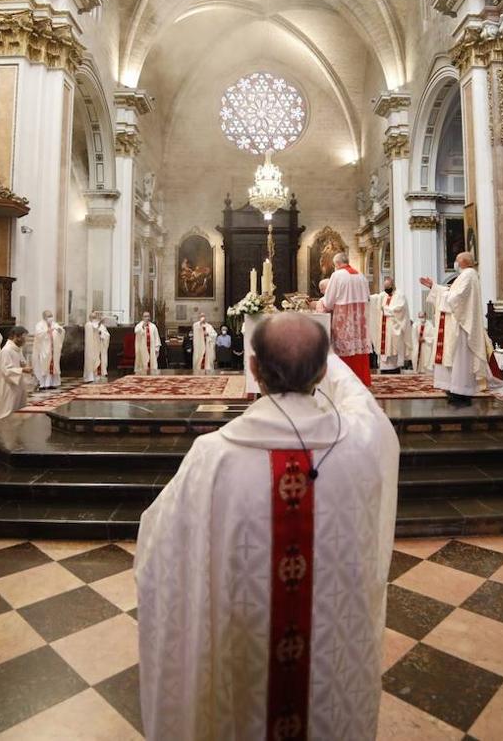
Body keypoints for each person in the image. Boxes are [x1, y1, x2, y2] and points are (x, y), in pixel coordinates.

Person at [136, 313, 399, 740]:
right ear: (322, 369)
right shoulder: (362, 444)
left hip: (242, 651)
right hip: (328, 663)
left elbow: (159, 550)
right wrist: (321, 358)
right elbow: (364, 406)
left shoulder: (213, 456)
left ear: (253, 368)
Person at [420, 251, 497, 403]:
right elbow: (451, 293)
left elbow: (457, 297)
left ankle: (462, 390)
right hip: (456, 323)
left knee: (460, 359)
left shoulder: (468, 275)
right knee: (454, 359)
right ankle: (454, 388)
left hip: (461, 326)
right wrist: (434, 287)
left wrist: (440, 293)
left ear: (464, 262)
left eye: (456, 260)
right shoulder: (466, 275)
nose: (455, 263)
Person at [320, 251, 372, 386]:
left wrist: (320, 304)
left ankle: (345, 381)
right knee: (359, 346)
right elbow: (367, 297)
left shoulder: (337, 275)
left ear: (336, 264)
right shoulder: (361, 275)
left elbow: (329, 302)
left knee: (344, 346)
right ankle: (362, 379)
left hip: (344, 318)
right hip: (360, 319)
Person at [368, 277, 411, 374]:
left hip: (393, 328)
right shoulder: (383, 295)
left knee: (392, 346)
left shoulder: (400, 295)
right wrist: (367, 297)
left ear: (393, 285)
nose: (386, 289)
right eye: (385, 287)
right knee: (384, 346)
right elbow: (375, 299)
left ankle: (394, 368)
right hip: (384, 328)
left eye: (388, 287)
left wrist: (386, 310)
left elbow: (400, 309)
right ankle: (384, 368)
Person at [31, 309, 64, 389]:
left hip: (53, 350)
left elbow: (61, 330)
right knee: (44, 366)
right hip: (44, 349)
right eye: (49, 316)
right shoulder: (39, 325)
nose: (51, 318)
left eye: (51, 316)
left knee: (53, 366)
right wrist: (47, 331)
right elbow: (38, 334)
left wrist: (60, 330)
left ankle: (52, 383)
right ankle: (43, 384)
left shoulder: (54, 324)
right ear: (44, 317)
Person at [84, 310, 109, 382]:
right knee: (92, 361)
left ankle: (100, 374)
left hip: (100, 346)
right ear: (90, 318)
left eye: (95, 317)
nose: (94, 318)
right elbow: (94, 328)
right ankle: (90, 377)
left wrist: (102, 335)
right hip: (91, 347)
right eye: (93, 317)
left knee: (100, 360)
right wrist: (99, 324)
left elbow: (107, 335)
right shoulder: (88, 324)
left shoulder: (101, 326)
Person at [134, 311, 161, 375]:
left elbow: (156, 337)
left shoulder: (153, 326)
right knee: (143, 364)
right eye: (145, 316)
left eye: (148, 316)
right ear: (142, 317)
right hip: (142, 349)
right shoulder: (139, 325)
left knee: (152, 363)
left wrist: (157, 348)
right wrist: (143, 327)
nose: (147, 318)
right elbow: (136, 332)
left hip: (151, 349)